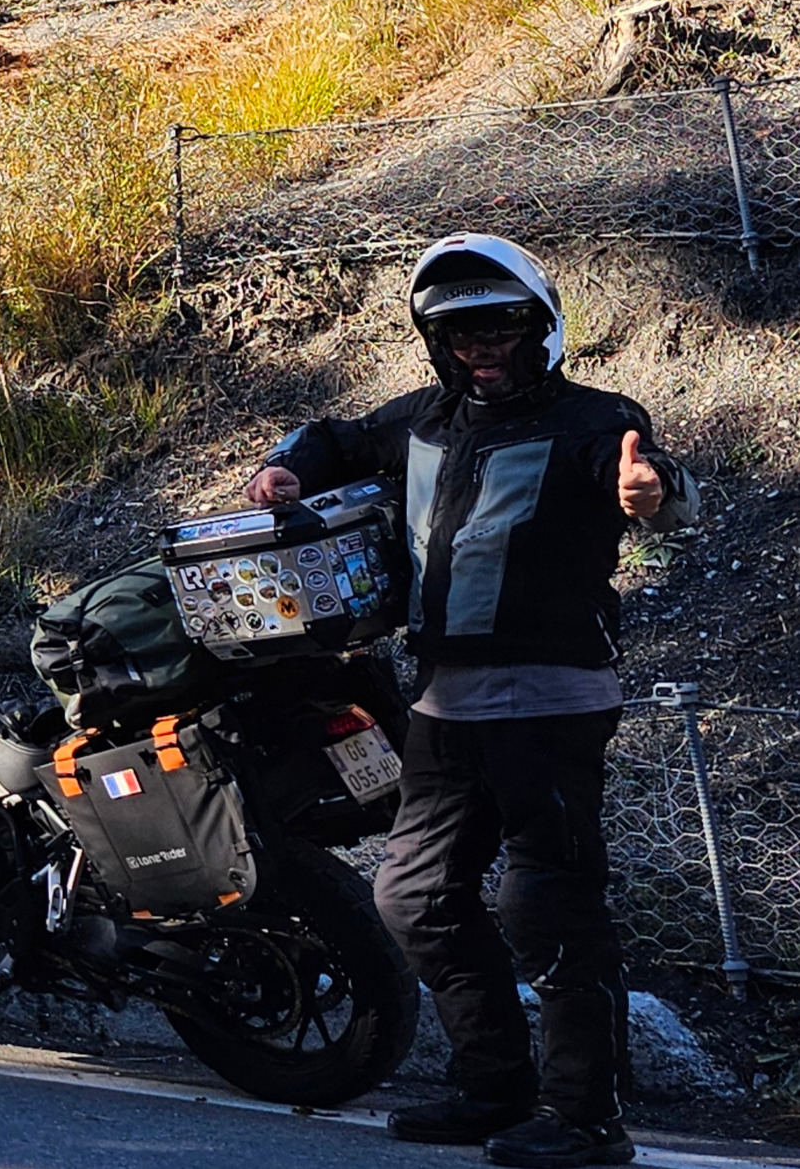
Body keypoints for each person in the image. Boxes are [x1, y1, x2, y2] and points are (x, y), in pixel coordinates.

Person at [242, 234, 694, 1169]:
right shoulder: (421, 418)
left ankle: (587, 1120)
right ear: (433, 340)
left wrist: (652, 493)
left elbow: (658, 482)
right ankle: (496, 1087)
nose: (481, 344)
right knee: (412, 892)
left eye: (500, 324)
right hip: (445, 698)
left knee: (550, 906)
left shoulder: (596, 422)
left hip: (553, 697)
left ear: (542, 325)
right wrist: (285, 466)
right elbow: (330, 439)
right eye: (458, 330)